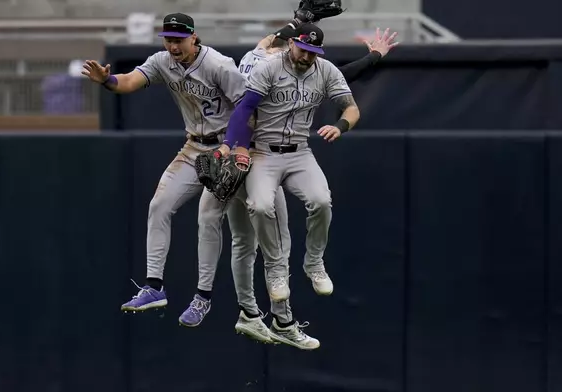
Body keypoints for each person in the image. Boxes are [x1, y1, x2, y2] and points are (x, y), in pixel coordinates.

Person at [229, 23, 399, 347]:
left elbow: (346, 88)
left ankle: (313, 263)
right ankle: (266, 299)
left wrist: (341, 125)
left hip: (297, 152)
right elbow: (242, 110)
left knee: (321, 200)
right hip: (256, 151)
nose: (307, 56)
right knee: (256, 214)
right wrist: (233, 145)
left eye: (313, 51)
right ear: (288, 42)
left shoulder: (319, 68)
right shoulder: (261, 63)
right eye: (302, 48)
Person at [82, 12, 247, 327]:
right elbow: (129, 81)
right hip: (194, 147)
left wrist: (236, 149)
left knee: (208, 218)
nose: (173, 46)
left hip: (225, 147)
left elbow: (247, 108)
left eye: (178, 40)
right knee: (159, 206)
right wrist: (107, 80)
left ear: (193, 38)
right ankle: (154, 287)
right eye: (168, 40)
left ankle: (203, 298)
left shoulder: (219, 65)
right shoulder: (162, 62)